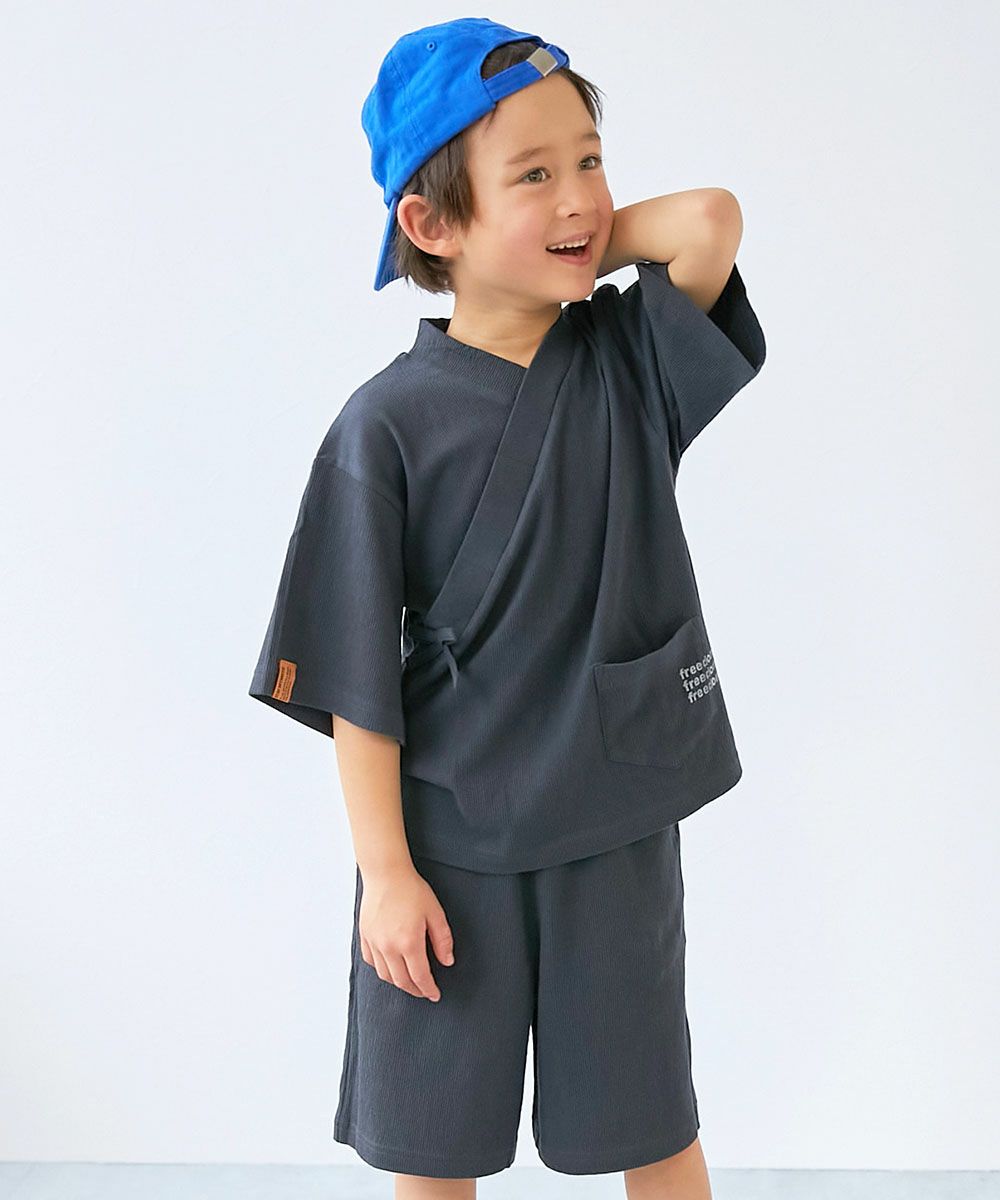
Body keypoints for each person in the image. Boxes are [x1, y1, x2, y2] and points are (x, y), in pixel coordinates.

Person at [248, 16, 766, 1200]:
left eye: (589, 159)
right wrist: (387, 873)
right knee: (434, 1143)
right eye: (532, 175)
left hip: (613, 819)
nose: (579, 193)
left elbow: (707, 221)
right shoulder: (381, 427)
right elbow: (354, 678)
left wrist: (561, 237)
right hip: (449, 843)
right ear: (429, 224)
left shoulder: (630, 361)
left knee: (652, 1123)